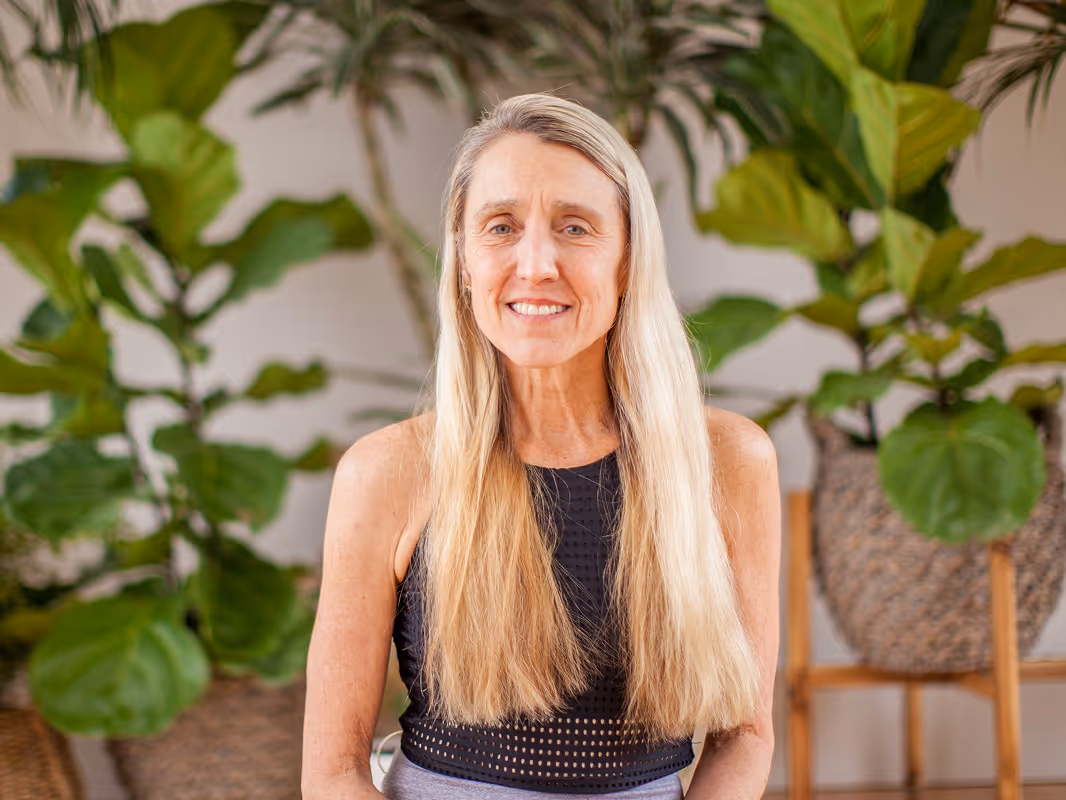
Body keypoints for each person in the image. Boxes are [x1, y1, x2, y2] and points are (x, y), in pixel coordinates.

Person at [301, 93, 781, 800]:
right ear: (464, 262)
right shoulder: (388, 473)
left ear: (627, 263)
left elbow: (746, 738)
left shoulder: (730, 463)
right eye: (500, 226)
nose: (535, 264)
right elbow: (333, 772)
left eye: (575, 227)